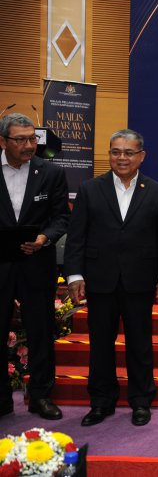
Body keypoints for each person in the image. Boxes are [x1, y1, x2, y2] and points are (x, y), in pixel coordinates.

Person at [64, 129, 158, 428]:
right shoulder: (89, 189)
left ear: (142, 156)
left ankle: (141, 401)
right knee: (100, 344)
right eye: (116, 152)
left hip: (140, 281)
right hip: (99, 280)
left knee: (140, 344)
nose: (121, 158)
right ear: (109, 154)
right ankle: (101, 401)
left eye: (128, 152)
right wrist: (74, 275)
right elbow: (76, 237)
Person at [0, 113, 69, 421]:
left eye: (32, 139)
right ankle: (1, 399)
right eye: (21, 140)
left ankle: (40, 396)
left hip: (37, 263)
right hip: (0, 264)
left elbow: (61, 218)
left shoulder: (51, 172)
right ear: (3, 141)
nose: (29, 145)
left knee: (41, 331)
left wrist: (44, 238)